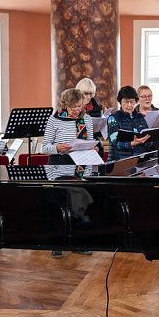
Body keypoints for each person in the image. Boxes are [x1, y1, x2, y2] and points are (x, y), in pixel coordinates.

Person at [41, 88, 96, 257]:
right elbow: (44, 147)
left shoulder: (86, 119)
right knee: (61, 206)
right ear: (65, 105)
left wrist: (91, 148)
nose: (78, 110)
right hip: (58, 168)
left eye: (80, 106)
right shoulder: (54, 119)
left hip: (80, 168)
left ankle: (77, 242)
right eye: (74, 107)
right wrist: (57, 148)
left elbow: (91, 143)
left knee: (79, 207)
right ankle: (57, 243)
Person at [107, 86, 152, 161]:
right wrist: (131, 143)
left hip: (140, 160)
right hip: (119, 161)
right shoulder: (113, 118)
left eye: (132, 101)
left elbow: (146, 136)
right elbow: (115, 143)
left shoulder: (140, 117)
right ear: (120, 102)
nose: (129, 105)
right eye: (125, 102)